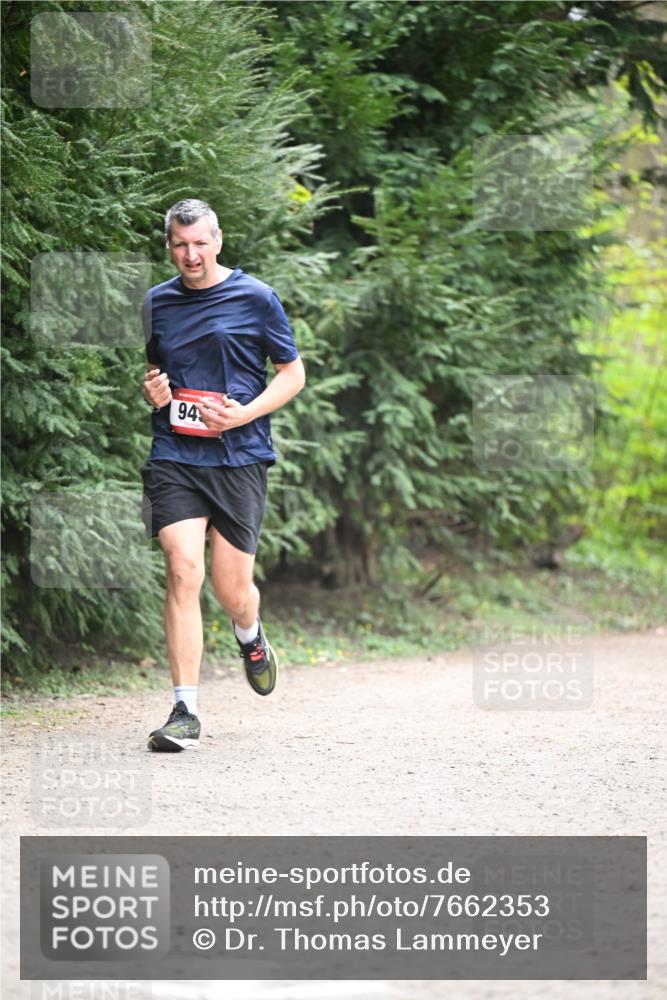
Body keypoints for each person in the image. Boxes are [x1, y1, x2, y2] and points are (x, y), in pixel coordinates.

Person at [140, 198, 305, 751]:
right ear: (170, 246)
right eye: (180, 244)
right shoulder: (158, 303)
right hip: (176, 453)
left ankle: (250, 633)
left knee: (233, 591)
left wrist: (246, 412)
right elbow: (156, 369)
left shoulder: (256, 298)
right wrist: (153, 391)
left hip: (239, 457)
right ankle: (185, 710)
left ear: (218, 240)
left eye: (200, 243)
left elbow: (292, 373)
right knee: (183, 570)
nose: (191, 254)